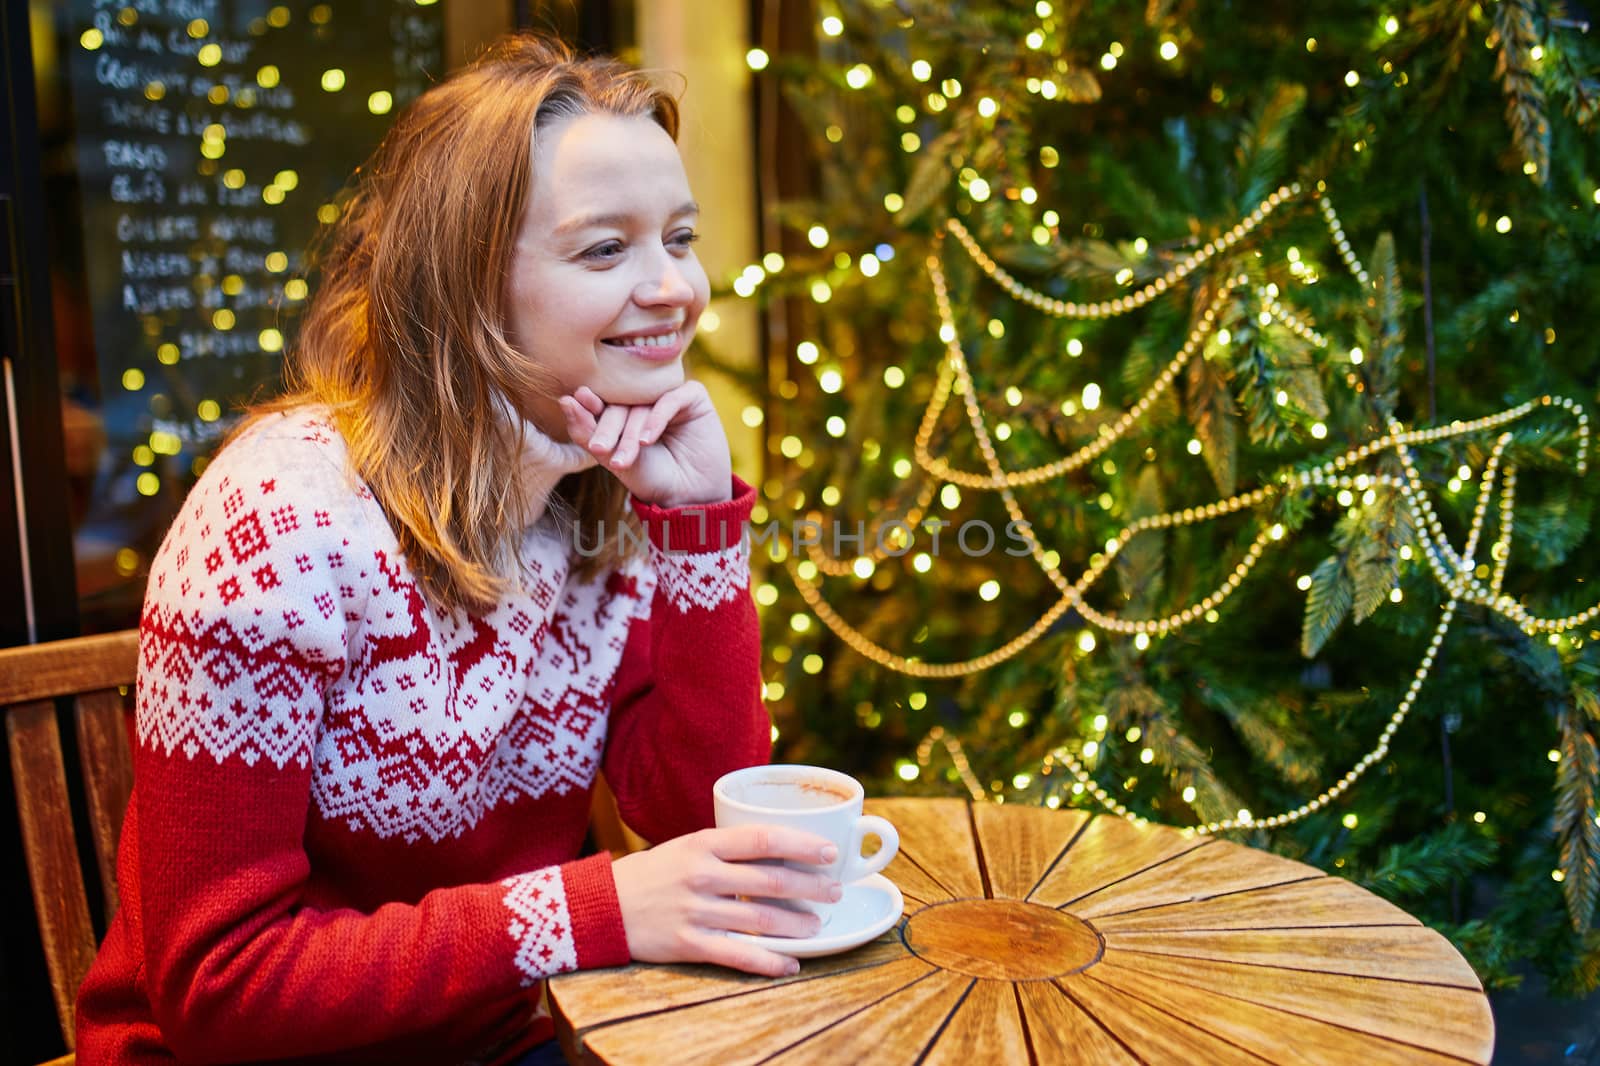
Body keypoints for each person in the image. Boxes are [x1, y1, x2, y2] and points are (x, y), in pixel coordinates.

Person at [75, 34, 841, 1065]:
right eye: (605, 248)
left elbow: (690, 813)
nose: (673, 289)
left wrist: (699, 525)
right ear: (467, 284)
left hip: (512, 1038)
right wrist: (585, 909)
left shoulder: (595, 484)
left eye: (679, 237)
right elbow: (223, 989)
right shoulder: (278, 527)